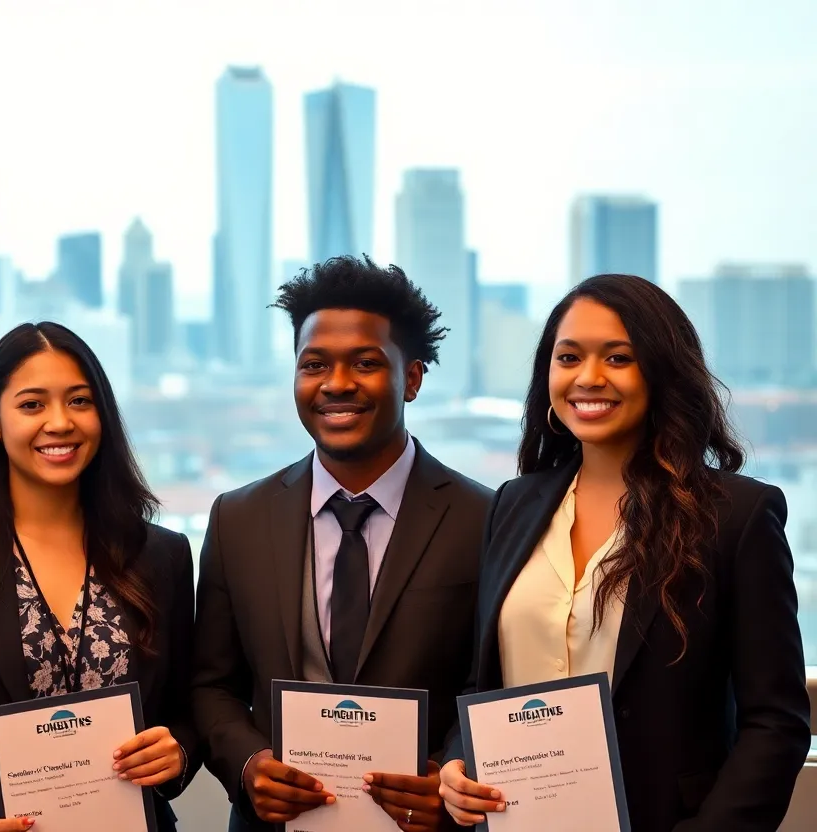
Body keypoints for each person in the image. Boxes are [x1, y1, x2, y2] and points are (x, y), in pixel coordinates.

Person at [438, 274, 812, 831]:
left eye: (618, 358)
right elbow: (482, 682)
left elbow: (776, 722)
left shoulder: (735, 516)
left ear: (662, 372)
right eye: (569, 357)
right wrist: (455, 765)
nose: (588, 377)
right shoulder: (514, 505)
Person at [192, 256, 494, 832]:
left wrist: (451, 769)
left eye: (365, 363)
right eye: (314, 364)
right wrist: (249, 765)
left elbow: (492, 680)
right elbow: (212, 687)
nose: (336, 384)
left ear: (412, 377)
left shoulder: (483, 517)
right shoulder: (238, 518)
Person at [0, 321, 201, 832]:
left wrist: (178, 751)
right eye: (32, 404)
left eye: (80, 401)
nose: (60, 422)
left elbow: (192, 705)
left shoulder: (163, 556)